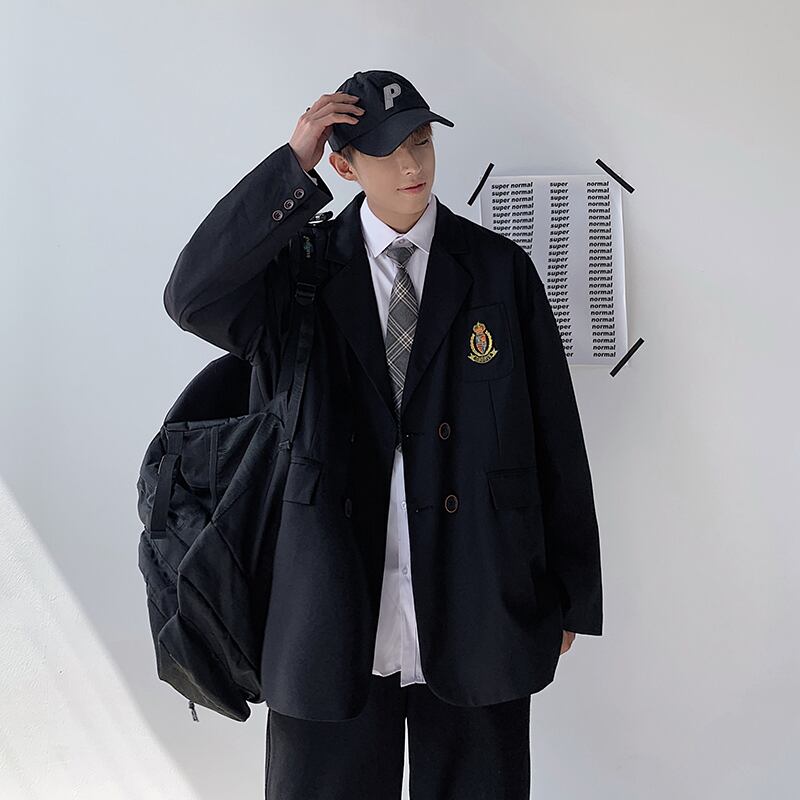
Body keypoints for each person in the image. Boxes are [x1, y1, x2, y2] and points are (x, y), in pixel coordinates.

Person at [164, 69, 603, 800]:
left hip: (478, 595)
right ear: (343, 165)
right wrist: (290, 166)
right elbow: (191, 296)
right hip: (324, 603)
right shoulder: (295, 274)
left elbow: (555, 433)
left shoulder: (498, 271)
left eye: (422, 142)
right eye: (387, 150)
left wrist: (571, 592)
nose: (411, 165)